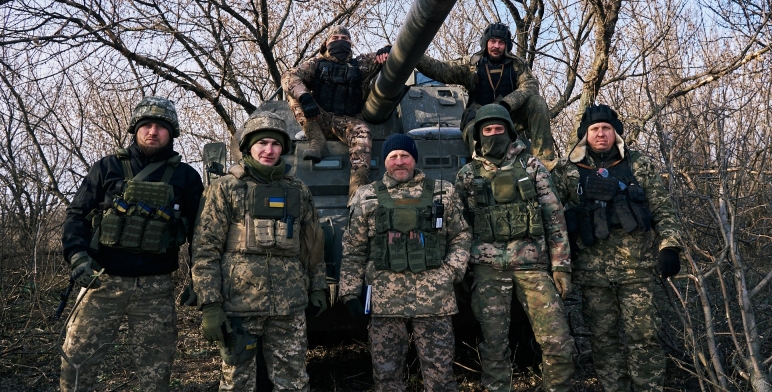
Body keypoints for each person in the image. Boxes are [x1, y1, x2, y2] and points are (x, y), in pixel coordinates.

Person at [60, 96, 204, 392]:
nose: (153, 131)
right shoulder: (107, 167)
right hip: (102, 282)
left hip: (156, 288)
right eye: (147, 125)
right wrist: (78, 257)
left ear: (172, 132)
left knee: (156, 369)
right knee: (77, 362)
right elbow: (77, 215)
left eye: (161, 127)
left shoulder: (186, 177)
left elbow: (201, 233)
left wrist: (198, 279)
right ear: (135, 129)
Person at [551, 104, 683, 392]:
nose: (601, 134)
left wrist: (669, 247)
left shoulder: (639, 165)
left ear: (616, 133)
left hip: (637, 269)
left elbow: (664, 210)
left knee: (644, 337)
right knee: (603, 339)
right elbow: (552, 220)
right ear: (585, 135)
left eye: (606, 128)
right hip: (591, 273)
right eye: (595, 129)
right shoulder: (567, 170)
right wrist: (559, 262)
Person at [191, 111, 327, 391]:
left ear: (284, 148)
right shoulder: (225, 188)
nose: (269, 150)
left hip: (288, 305)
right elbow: (206, 249)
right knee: (237, 383)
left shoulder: (298, 190)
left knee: (293, 382)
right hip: (239, 305)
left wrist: (317, 286)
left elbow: (313, 244)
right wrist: (210, 305)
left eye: (275, 144)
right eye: (262, 142)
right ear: (248, 146)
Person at [454, 103, 575, 391]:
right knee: (494, 346)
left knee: (557, 340)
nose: (494, 134)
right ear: (477, 136)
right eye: (488, 130)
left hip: (532, 267)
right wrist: (460, 270)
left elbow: (554, 218)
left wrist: (560, 266)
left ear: (509, 132)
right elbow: (458, 228)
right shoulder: (467, 175)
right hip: (488, 270)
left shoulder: (532, 167)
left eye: (499, 129)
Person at [339, 133, 471, 391]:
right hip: (384, 302)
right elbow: (353, 248)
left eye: (405, 156)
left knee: (441, 379)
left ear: (414, 159)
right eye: (393, 156)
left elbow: (461, 235)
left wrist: (451, 272)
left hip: (434, 301)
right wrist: (349, 293)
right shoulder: (367, 196)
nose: (399, 162)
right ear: (385, 162)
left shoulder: (444, 192)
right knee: (387, 380)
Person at [416, 22, 556, 167]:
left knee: (537, 103)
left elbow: (530, 86)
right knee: (474, 134)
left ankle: (544, 161)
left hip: (509, 118)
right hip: (477, 118)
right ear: (485, 43)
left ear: (507, 45)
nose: (496, 46)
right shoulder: (471, 65)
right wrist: (411, 52)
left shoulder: (517, 65)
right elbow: (439, 69)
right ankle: (482, 170)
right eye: (492, 41)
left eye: (501, 42)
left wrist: (506, 104)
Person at [281, 24, 389, 196]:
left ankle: (358, 187)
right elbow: (289, 76)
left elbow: (386, 57)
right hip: (317, 118)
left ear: (351, 43)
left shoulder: (360, 65)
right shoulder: (315, 64)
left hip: (347, 121)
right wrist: (305, 96)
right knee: (294, 94)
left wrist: (387, 50)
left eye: (345, 39)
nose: (340, 42)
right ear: (326, 43)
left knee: (363, 132)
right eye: (335, 38)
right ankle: (317, 141)